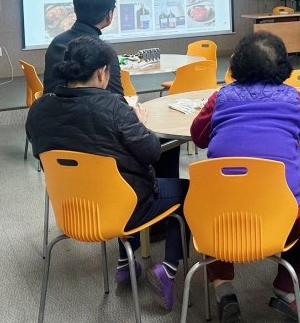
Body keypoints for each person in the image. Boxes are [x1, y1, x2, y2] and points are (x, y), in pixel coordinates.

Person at [27, 36, 188, 311]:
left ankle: (125, 263)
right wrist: (140, 123)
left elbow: (40, 155)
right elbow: (152, 152)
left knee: (111, 182)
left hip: (72, 209)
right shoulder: (115, 108)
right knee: (187, 189)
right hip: (121, 208)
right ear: (102, 72)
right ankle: (169, 269)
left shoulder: (39, 109)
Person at [190, 31, 300, 322]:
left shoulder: (221, 96)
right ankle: (286, 291)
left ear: (237, 64)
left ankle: (224, 289)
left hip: (222, 218)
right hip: (282, 216)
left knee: (213, 200)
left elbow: (198, 137)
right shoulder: (293, 97)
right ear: (283, 66)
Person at [42, 0, 180, 199]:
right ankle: (154, 224)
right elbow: (116, 100)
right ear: (109, 14)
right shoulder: (102, 54)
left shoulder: (56, 45)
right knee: (163, 145)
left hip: (64, 175)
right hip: (104, 159)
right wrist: (139, 123)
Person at [43, 0, 123, 95]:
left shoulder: (56, 42)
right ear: (110, 14)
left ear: (75, 10)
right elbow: (117, 98)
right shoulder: (103, 52)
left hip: (53, 110)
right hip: (92, 112)